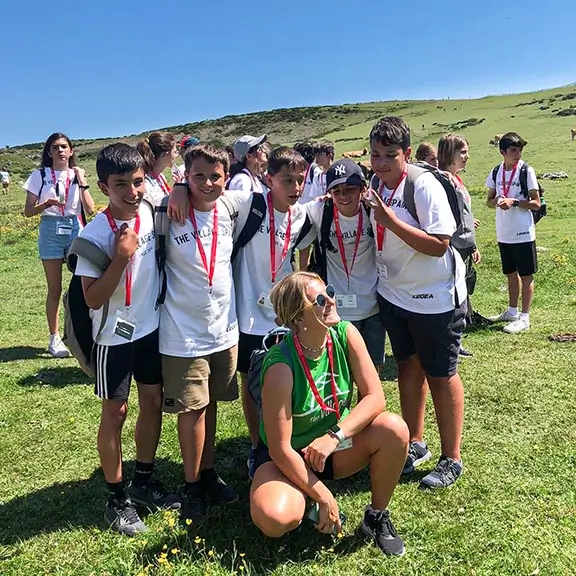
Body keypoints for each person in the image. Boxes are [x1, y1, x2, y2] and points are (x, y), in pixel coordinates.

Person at [168, 147, 316, 479]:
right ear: (268, 179)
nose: (294, 188)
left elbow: (324, 220)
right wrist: (179, 188)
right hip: (247, 316)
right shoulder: (248, 203)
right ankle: (256, 448)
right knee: (253, 384)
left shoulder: (304, 215)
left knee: (287, 379)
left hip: (283, 317)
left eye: (300, 180)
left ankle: (289, 441)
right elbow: (206, 194)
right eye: (286, 180)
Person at [250, 272, 408, 557]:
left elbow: (375, 398)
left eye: (330, 292)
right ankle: (307, 501)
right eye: (320, 300)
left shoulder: (345, 333)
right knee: (275, 519)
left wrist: (334, 436)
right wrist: (324, 497)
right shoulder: (280, 366)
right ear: (298, 319)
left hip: (331, 448)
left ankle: (377, 516)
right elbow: (280, 449)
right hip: (288, 458)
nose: (331, 301)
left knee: (394, 429)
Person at [75, 143, 179, 536]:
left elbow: (177, 198)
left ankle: (144, 479)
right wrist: (120, 257)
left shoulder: (150, 212)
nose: (132, 192)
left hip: (150, 329)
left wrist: (181, 190)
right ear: (103, 187)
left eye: (137, 183)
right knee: (115, 413)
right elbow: (92, 297)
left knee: (153, 401)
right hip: (112, 339)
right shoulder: (94, 234)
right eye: (121, 185)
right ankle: (117, 498)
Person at [367, 117, 467, 488]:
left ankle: (451, 458)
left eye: (390, 156)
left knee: (441, 374)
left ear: (406, 154)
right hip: (395, 295)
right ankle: (414, 442)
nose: (381, 163)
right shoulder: (376, 183)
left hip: (435, 297)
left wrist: (391, 222)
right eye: (376, 155)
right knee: (408, 368)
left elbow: (440, 242)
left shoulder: (422, 186)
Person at [159, 144, 239, 524]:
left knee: (212, 404)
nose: (207, 183)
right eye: (198, 176)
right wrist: (176, 188)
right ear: (185, 177)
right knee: (191, 409)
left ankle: (207, 474)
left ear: (227, 175)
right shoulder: (168, 209)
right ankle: (191, 485)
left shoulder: (231, 207)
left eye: (215, 176)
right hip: (182, 332)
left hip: (224, 330)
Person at [299, 159, 385, 370]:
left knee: (371, 370)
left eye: (350, 189)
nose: (343, 196)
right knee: (338, 372)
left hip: (373, 305)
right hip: (335, 310)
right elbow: (288, 211)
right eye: (336, 191)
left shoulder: (373, 210)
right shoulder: (321, 210)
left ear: (363, 189)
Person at [23, 132, 95, 358]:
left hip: (75, 228)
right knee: (54, 288)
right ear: (49, 152)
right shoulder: (39, 175)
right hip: (50, 229)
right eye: (55, 147)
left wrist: (82, 182)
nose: (60, 151)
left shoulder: (77, 175)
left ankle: (84, 334)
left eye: (64, 147)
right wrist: (46, 204)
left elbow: (91, 209)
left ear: (71, 151)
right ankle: (54, 338)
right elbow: (27, 211)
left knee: (84, 285)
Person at [485, 132, 540, 334]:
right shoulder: (495, 172)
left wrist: (515, 202)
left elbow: (536, 203)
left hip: (523, 233)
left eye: (520, 150)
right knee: (510, 273)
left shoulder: (527, 170)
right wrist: (499, 200)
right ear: (502, 152)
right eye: (513, 151)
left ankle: (525, 318)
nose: (518, 155)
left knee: (526, 275)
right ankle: (512, 311)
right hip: (504, 232)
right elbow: (489, 202)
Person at [437, 134, 481, 354]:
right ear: (449, 153)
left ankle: (455, 340)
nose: (467, 156)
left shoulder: (455, 178)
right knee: (453, 295)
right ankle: (451, 341)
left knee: (460, 293)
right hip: (452, 245)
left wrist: (472, 244)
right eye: (462, 152)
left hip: (462, 244)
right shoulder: (444, 180)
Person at [136, 131, 178, 205]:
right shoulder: (146, 184)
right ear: (165, 154)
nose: (176, 155)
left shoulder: (161, 176)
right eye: (175, 152)